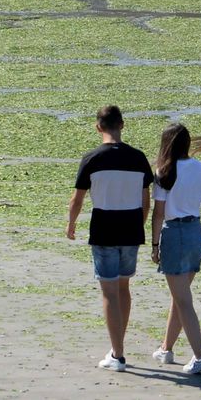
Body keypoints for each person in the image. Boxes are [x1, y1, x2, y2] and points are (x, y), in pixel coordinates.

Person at [67, 105, 153, 372]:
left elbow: (77, 199)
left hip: (104, 228)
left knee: (108, 292)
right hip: (130, 228)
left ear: (98, 127)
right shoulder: (138, 158)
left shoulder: (92, 158)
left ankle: (117, 353)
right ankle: (118, 346)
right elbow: (145, 200)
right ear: (122, 125)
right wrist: (139, 224)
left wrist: (71, 224)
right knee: (123, 288)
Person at [149, 123, 201, 376]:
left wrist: (155, 244)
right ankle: (166, 348)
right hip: (195, 232)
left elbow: (158, 214)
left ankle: (200, 355)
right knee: (180, 296)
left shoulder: (164, 171)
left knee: (183, 300)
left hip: (174, 233)